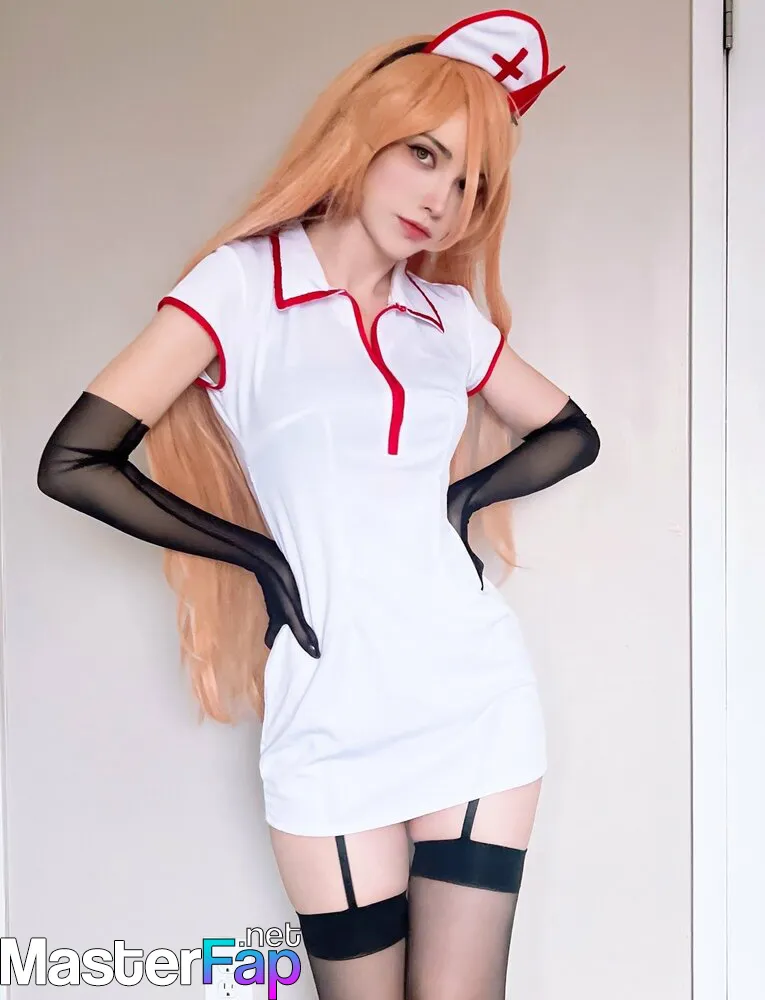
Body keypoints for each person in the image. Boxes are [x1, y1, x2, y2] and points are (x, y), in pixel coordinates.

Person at [37, 9, 600, 999]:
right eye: (425, 154)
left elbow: (572, 433)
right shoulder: (242, 284)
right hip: (329, 706)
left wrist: (460, 499)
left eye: (470, 185)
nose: (441, 201)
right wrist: (258, 556)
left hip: (471, 697)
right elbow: (75, 459)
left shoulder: (446, 318)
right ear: (364, 134)